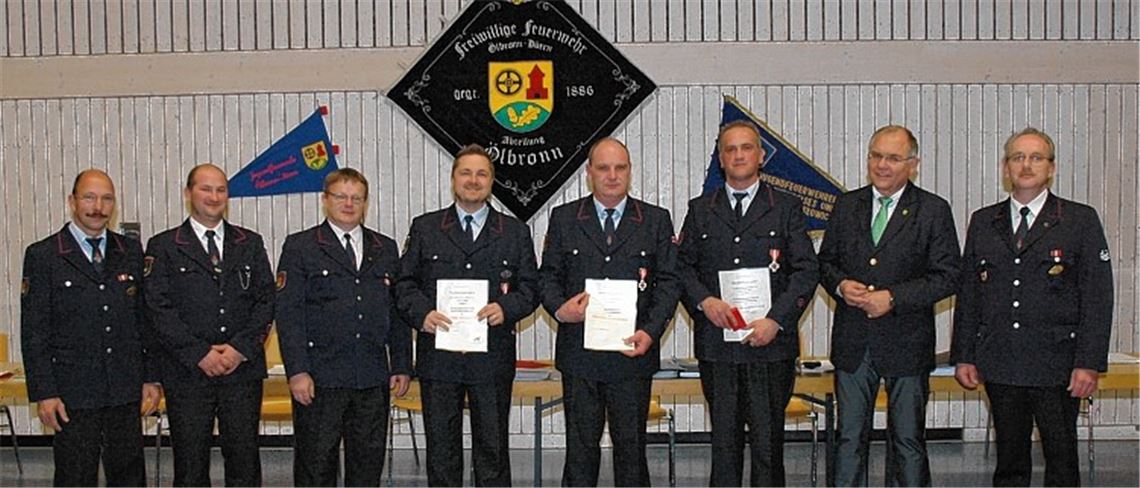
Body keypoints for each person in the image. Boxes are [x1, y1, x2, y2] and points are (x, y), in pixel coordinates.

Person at [951, 127, 1113, 486]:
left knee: (1061, 461)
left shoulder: (1079, 220)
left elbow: (1098, 297)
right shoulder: (984, 221)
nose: (1026, 165)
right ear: (1005, 167)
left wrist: (1088, 362)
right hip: (1001, 361)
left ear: (1051, 168)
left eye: (1036, 158)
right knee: (1010, 462)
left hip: (1057, 364)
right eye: (1018, 157)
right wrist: (965, 355)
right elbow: (970, 294)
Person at [676, 120, 820, 486]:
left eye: (746, 148)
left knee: (768, 446)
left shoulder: (786, 207)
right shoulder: (701, 209)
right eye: (730, 149)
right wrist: (704, 301)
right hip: (719, 347)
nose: (738, 155)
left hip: (770, 347)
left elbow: (806, 270)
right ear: (721, 158)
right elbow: (682, 268)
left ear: (760, 156)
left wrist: (776, 320)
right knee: (724, 445)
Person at [817, 125, 961, 486]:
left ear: (913, 164)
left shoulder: (933, 210)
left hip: (907, 343)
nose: (882, 165)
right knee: (849, 439)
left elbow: (948, 276)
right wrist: (840, 285)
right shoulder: (846, 205)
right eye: (876, 155)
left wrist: (893, 298)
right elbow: (825, 262)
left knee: (908, 441)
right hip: (854, 343)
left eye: (893, 158)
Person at [539, 137, 681, 487]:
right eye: (603, 168)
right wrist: (560, 310)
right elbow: (547, 277)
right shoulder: (565, 218)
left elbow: (669, 282)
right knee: (580, 453)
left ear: (630, 171)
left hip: (632, 354)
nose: (612, 175)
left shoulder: (655, 220)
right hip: (580, 356)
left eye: (620, 168)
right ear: (589, 172)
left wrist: (651, 331)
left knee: (631, 453)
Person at [395, 144, 539, 486]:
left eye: (481, 174)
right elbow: (404, 284)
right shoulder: (426, 227)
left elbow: (532, 288)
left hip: (492, 357)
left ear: (491, 181)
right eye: (466, 173)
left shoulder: (514, 231)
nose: (473, 180)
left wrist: (506, 308)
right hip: (439, 357)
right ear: (453, 179)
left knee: (492, 449)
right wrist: (422, 314)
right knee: (441, 450)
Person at [20, 169, 161, 486]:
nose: (98, 207)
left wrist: (150, 377)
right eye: (89, 197)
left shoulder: (130, 251)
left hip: (124, 390)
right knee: (75, 477)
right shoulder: (44, 255)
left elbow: (144, 321)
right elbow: (34, 331)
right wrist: (45, 393)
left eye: (107, 199)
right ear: (72, 201)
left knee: (129, 478)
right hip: (73, 394)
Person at [275, 168, 413, 486]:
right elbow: (289, 313)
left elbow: (396, 312)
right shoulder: (301, 246)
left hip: (371, 376)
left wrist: (402, 364)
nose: (349, 204)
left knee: (367, 466)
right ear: (325, 200)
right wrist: (297, 371)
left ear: (365, 203)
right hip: (320, 378)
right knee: (316, 466)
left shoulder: (385, 247)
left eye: (356, 198)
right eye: (341, 196)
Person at [143, 163, 274, 486]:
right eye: (206, 189)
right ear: (188, 193)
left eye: (220, 190)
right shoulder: (164, 246)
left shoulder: (250, 243)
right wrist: (199, 353)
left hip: (241, 371)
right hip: (187, 372)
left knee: (244, 461)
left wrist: (239, 349)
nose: (214, 197)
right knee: (190, 464)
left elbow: (266, 301)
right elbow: (158, 309)